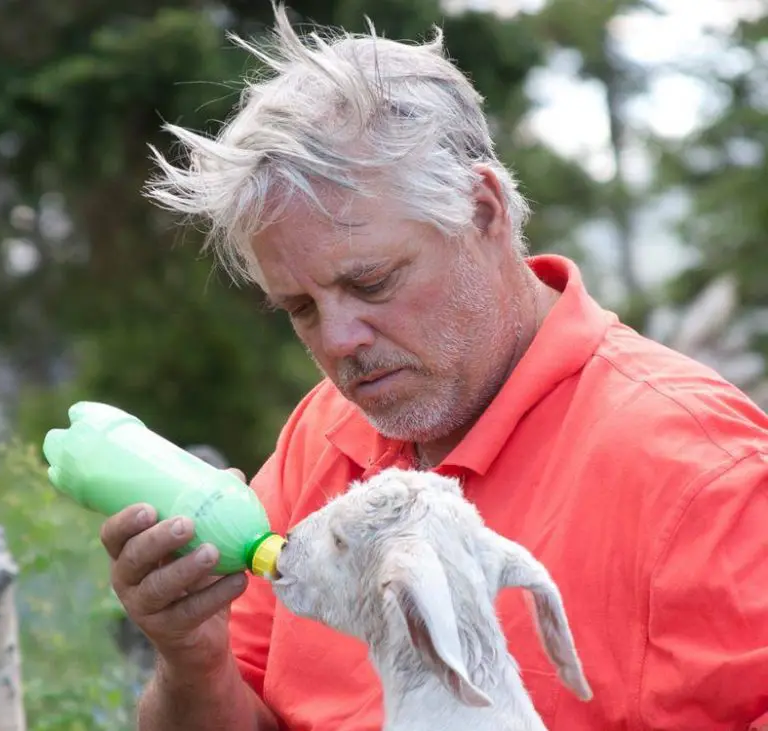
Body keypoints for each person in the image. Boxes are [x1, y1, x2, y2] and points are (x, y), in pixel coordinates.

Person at [97, 5, 768, 730]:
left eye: (372, 282)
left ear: (482, 212)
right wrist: (193, 661)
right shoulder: (321, 435)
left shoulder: (701, 476)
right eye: (300, 308)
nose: (339, 341)